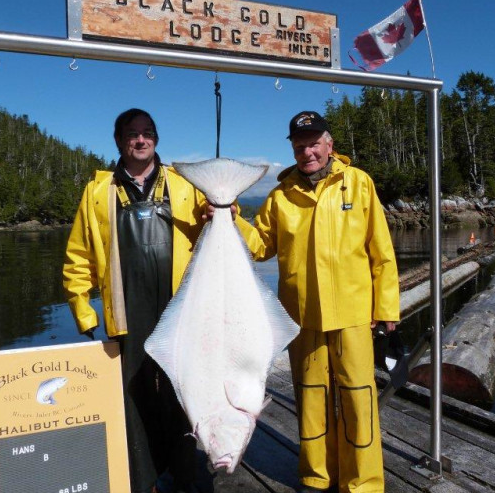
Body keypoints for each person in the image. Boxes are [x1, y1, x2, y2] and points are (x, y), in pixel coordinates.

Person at [235, 110, 400, 493]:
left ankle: (363, 483)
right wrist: (229, 217)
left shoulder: (358, 184)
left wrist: (387, 309)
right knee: (310, 401)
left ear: (329, 144)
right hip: (301, 317)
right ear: (292, 149)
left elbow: (382, 251)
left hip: (354, 314)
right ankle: (316, 477)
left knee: (359, 400)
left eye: (313, 143)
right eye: (299, 145)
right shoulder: (280, 196)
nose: (307, 151)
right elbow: (260, 247)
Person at [63, 108, 205, 493]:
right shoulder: (98, 191)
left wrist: (222, 211)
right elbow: (79, 257)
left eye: (148, 133)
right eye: (132, 133)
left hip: (180, 310)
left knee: (184, 395)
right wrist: (82, 309)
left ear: (156, 139)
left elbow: (215, 226)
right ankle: (143, 480)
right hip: (126, 311)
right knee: (132, 399)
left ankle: (188, 476)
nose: (141, 140)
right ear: (119, 141)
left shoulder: (185, 184)